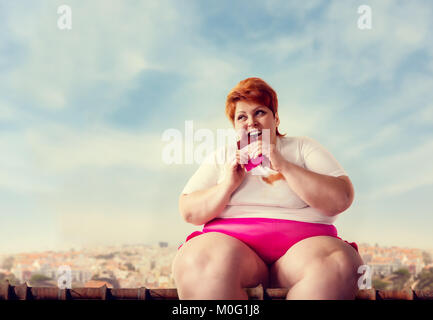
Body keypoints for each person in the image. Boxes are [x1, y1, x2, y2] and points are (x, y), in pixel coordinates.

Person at [171, 77, 364, 300]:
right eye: (241, 116)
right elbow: (189, 211)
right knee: (198, 262)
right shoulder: (223, 156)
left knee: (338, 265)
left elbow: (341, 198)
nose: (250, 122)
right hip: (232, 252)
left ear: (276, 118)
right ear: (234, 125)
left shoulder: (303, 147)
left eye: (260, 112)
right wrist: (228, 185)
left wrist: (283, 165)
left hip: (305, 251)